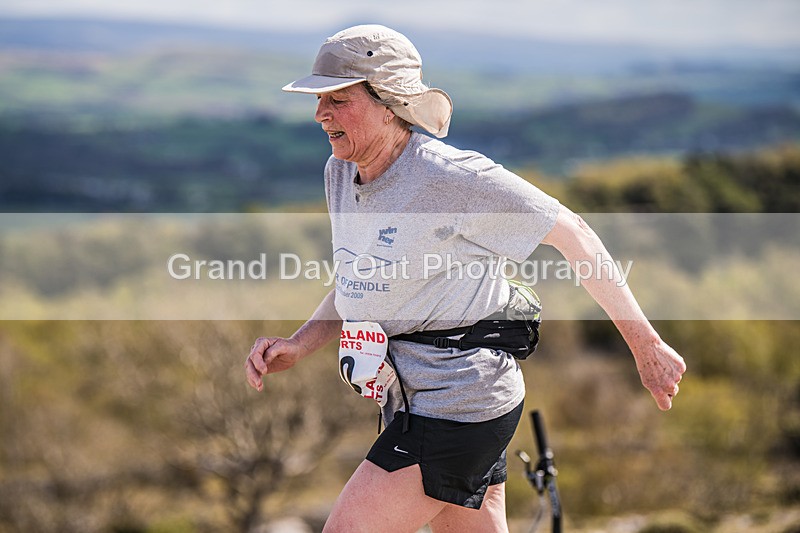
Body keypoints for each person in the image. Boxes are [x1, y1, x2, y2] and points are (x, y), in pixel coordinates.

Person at [245, 24, 686, 533]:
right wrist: (300, 345)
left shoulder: (454, 178)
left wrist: (645, 346)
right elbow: (358, 279)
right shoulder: (340, 172)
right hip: (405, 398)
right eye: (320, 99)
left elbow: (577, 235)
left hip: (459, 400)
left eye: (338, 99)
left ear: (389, 103)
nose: (320, 114)